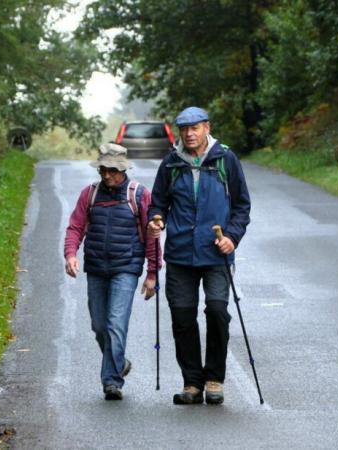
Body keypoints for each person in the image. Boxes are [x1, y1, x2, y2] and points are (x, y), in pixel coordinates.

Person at [147, 106, 251, 405]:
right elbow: (158, 203)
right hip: (180, 254)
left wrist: (232, 237)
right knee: (182, 318)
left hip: (216, 253)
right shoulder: (171, 163)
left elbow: (242, 205)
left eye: (195, 128)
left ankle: (214, 379)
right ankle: (192, 382)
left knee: (217, 313)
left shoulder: (225, 159)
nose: (189, 134)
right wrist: (157, 219)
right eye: (184, 129)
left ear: (207, 128)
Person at [64, 143, 161, 400]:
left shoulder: (139, 195)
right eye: (103, 170)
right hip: (96, 268)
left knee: (115, 323)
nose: (107, 175)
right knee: (99, 325)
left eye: (112, 170)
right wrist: (71, 254)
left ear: (123, 169)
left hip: (126, 269)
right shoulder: (90, 194)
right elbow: (75, 227)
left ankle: (111, 381)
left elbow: (152, 237)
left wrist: (152, 273)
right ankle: (119, 362)